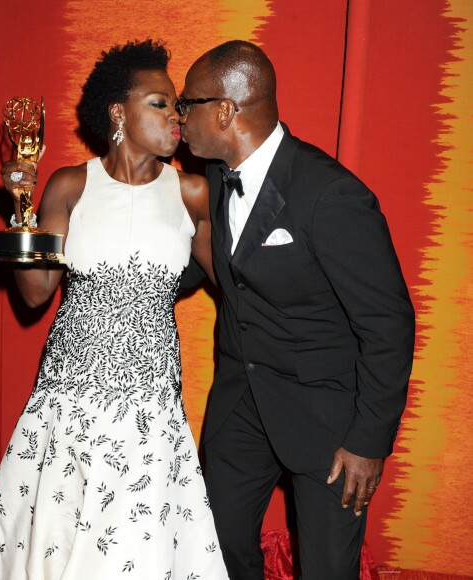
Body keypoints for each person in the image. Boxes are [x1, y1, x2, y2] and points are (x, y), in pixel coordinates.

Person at [0, 39, 229, 580]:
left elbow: (238, 284)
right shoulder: (70, 184)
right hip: (70, 393)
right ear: (117, 112)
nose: (175, 116)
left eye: (177, 105)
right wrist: (21, 211)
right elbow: (35, 294)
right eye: (159, 102)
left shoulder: (192, 193)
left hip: (148, 400)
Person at [176, 40, 415, 580]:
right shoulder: (216, 177)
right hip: (241, 402)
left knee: (328, 568)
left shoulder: (330, 195)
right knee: (216, 546)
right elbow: (209, 265)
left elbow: (388, 324)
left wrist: (368, 441)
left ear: (224, 111)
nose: (179, 116)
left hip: (327, 420)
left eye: (187, 103)